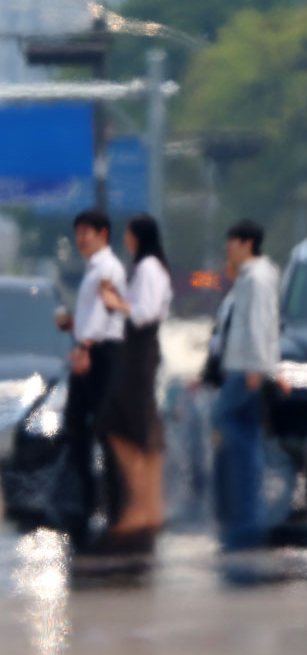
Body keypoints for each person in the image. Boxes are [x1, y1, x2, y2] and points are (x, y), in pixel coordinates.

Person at [97, 214, 173, 551]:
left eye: (127, 233)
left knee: (122, 426)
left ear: (138, 236)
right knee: (138, 427)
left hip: (138, 354)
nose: (125, 238)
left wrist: (116, 303)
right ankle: (147, 507)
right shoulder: (150, 268)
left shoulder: (148, 268)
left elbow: (144, 312)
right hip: (140, 352)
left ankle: (142, 507)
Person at [56, 209, 128, 549]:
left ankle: (114, 509)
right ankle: (82, 504)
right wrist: (74, 327)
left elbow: (104, 313)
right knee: (77, 430)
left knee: (104, 434)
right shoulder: (93, 270)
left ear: (104, 234)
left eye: (87, 232)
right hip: (90, 352)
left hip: (101, 357)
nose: (81, 239)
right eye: (78, 233)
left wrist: (85, 346)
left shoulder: (109, 269)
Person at [214, 220, 282, 550]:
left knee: (225, 421)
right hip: (247, 366)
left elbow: (258, 324)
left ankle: (249, 517)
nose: (228, 250)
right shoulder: (253, 277)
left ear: (247, 244)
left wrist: (258, 365)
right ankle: (248, 517)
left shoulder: (256, 278)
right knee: (248, 432)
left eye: (232, 244)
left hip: (246, 368)